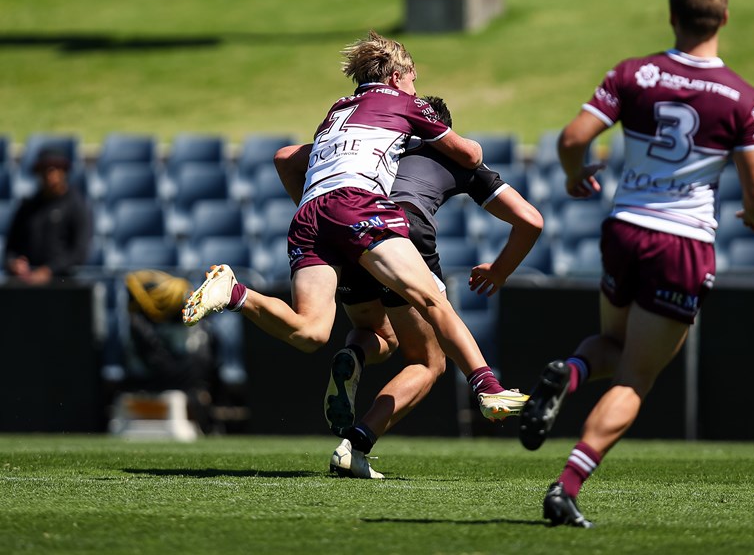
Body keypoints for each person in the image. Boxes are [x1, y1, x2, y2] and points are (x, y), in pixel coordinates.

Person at [518, 0, 754, 527]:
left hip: (625, 228)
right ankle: (566, 489)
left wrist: (572, 175)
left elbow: (572, 138)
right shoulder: (741, 96)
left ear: (672, 16)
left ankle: (571, 370)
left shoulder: (634, 73)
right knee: (637, 376)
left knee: (611, 342)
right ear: (724, 19)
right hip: (682, 241)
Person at [182, 31, 527, 434]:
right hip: (357, 205)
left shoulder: (338, 108)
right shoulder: (402, 101)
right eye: (414, 79)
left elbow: (284, 158)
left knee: (310, 332)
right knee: (431, 298)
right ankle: (488, 387)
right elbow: (472, 154)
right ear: (400, 74)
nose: (416, 87)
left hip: (311, 215)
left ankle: (234, 292)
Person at [274, 95, 544, 478]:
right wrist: (499, 271)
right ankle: (357, 444)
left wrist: (310, 207)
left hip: (345, 229)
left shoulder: (369, 138)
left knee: (375, 334)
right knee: (428, 361)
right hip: (399, 231)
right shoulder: (457, 156)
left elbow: (286, 158)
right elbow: (530, 221)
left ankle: (356, 354)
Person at [123, 269, 217, 433]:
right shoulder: (139, 324)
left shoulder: (189, 325)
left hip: (184, 373)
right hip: (160, 375)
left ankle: (209, 425)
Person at [4, 147, 92, 284]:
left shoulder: (77, 206)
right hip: (28, 285)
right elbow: (11, 248)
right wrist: (14, 263)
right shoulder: (27, 207)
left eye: (55, 168)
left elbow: (79, 252)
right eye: (45, 169)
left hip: (64, 283)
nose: (50, 174)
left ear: (64, 172)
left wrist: (49, 270)